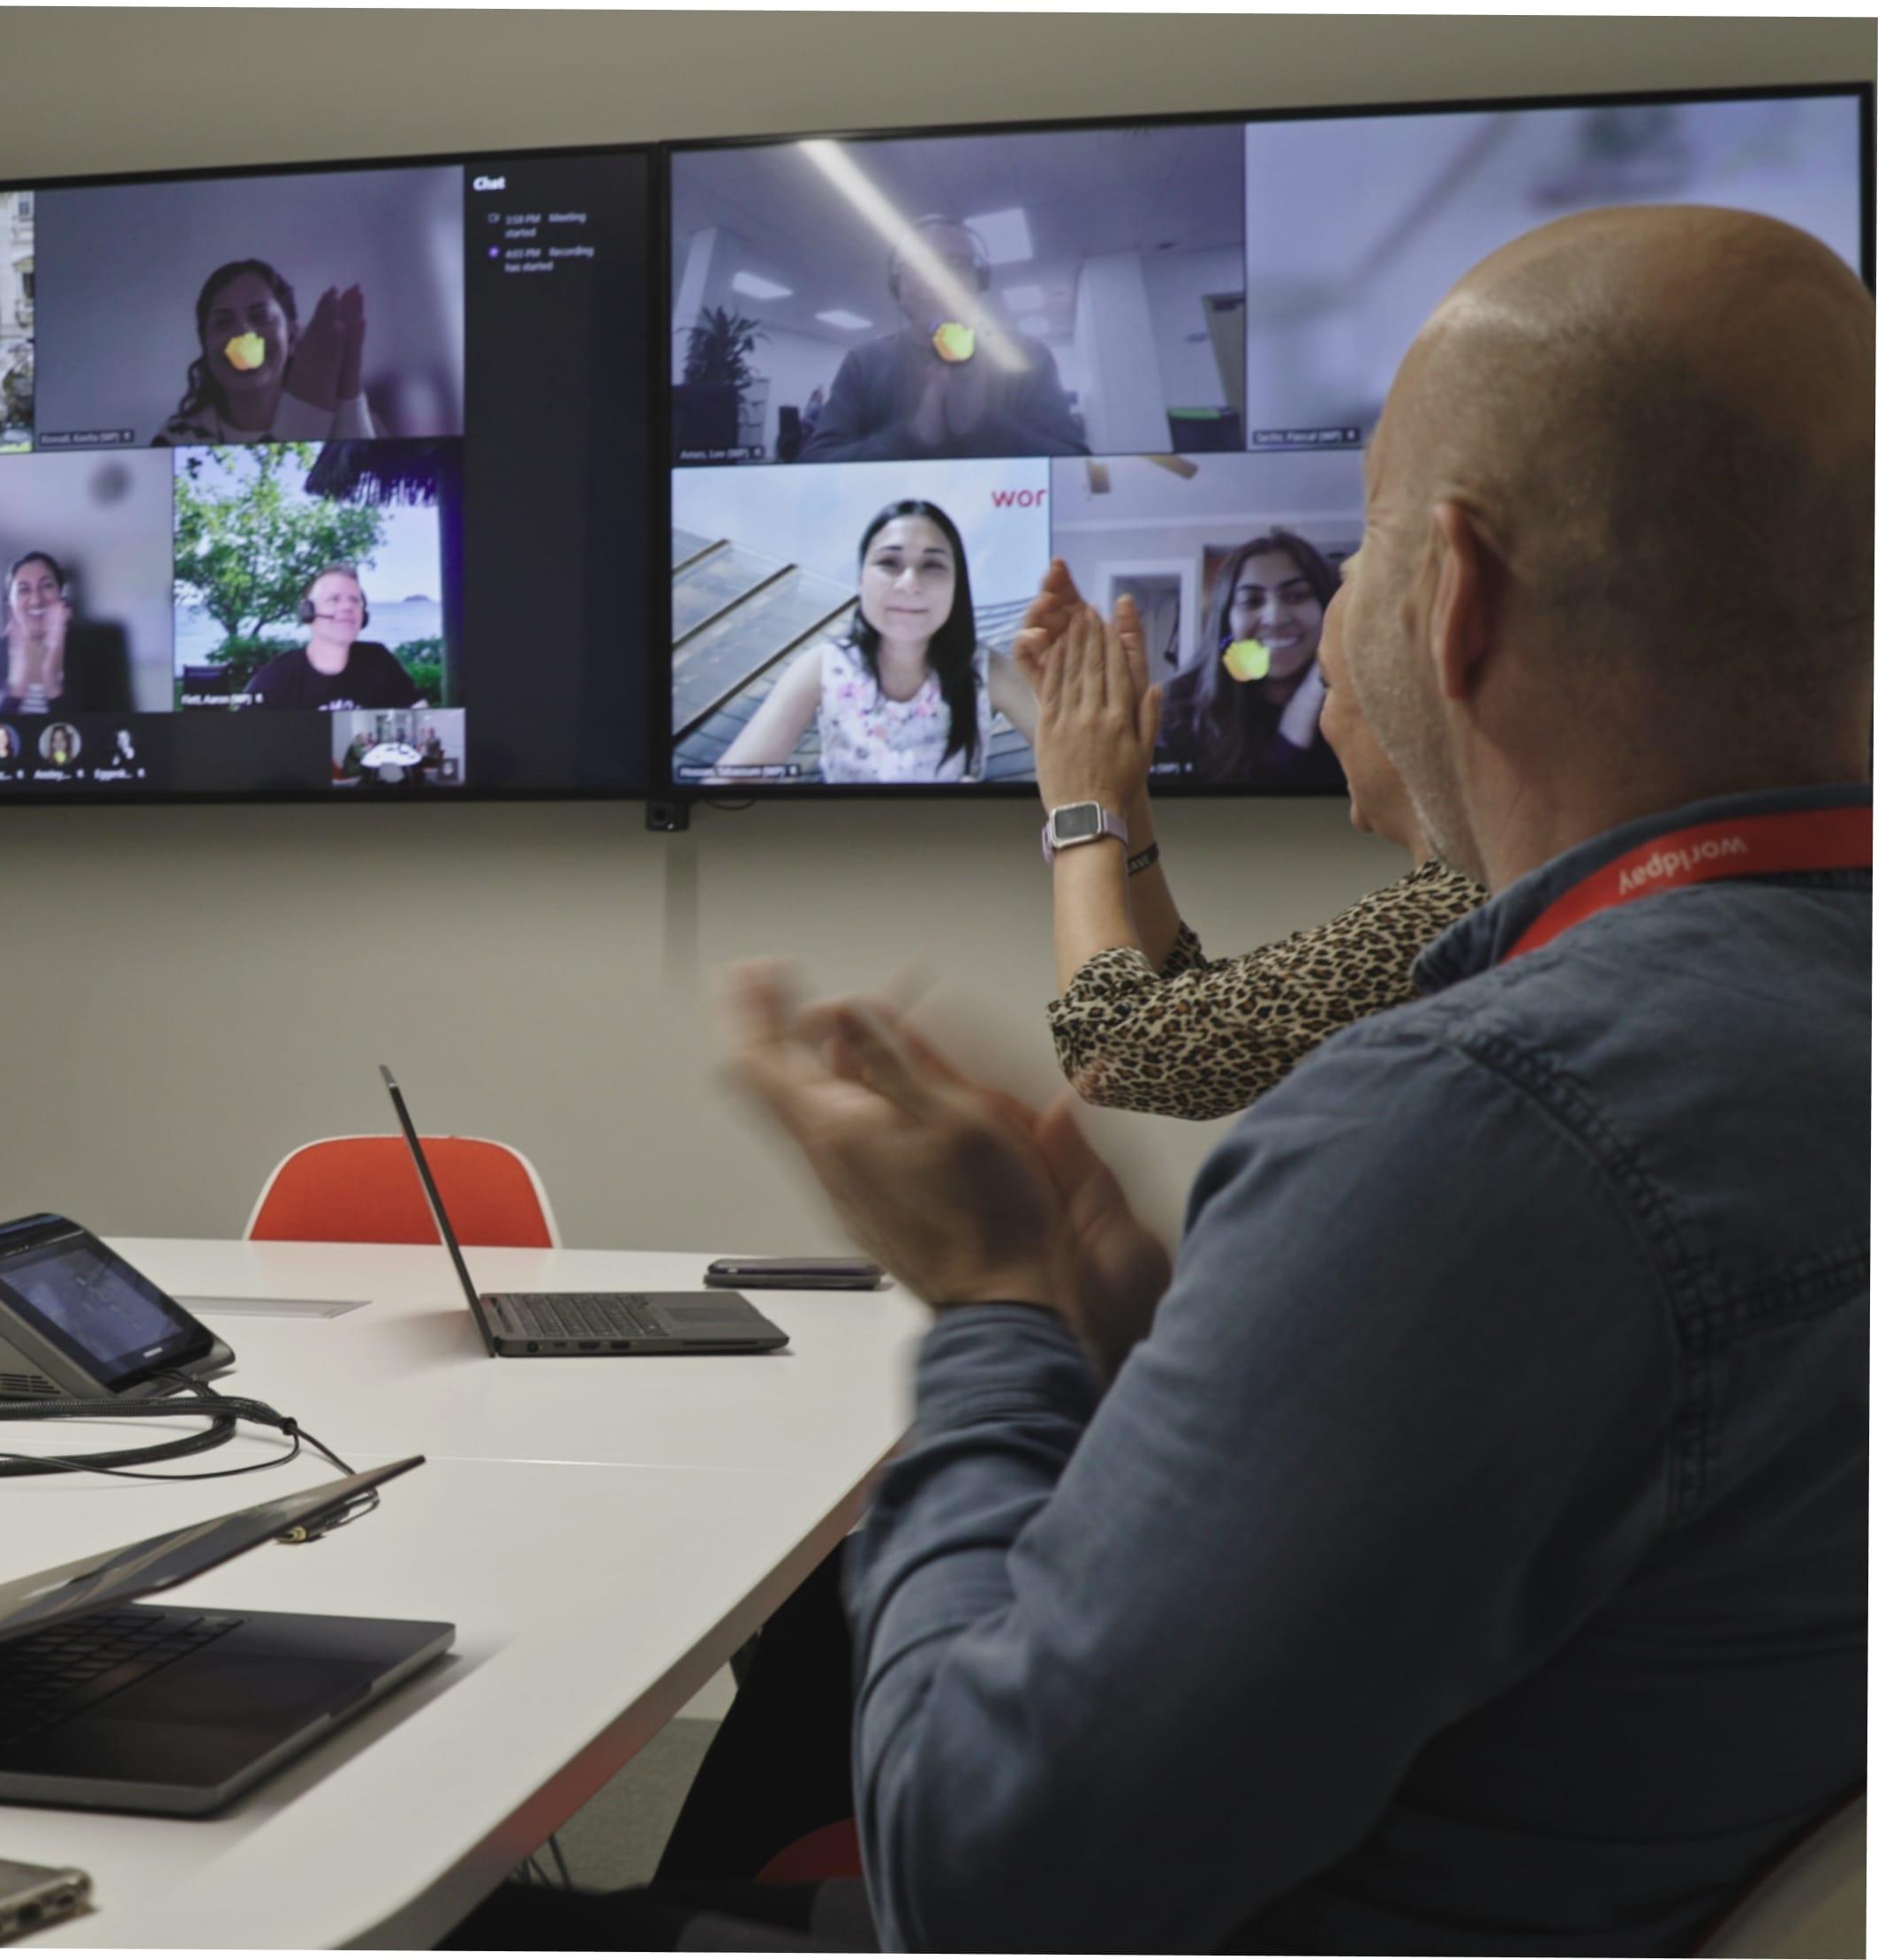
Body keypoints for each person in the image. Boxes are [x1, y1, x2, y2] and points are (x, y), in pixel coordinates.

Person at [468, 206, 1872, 1955]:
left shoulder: (1491, 1121)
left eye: (1359, 549)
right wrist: (1135, 1323)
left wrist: (987, 1306)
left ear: (1453, 600)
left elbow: (974, 1882)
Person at [1017, 556, 1484, 1117]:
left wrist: (1081, 806)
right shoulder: (1464, 896)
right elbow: (1195, 1015)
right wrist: (1121, 791)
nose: (1323, 718)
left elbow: (1114, 1048)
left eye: (1329, 684)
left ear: (1413, 701)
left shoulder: (1464, 906)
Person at [711, 499, 1036, 782]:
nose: (909, 583)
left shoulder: (987, 670)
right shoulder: (823, 667)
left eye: (933, 565)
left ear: (957, 586)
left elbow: (1077, 762)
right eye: (889, 563)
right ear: (860, 580)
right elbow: (733, 779)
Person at [799, 215, 1087, 463]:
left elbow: (1077, 467)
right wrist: (914, 437)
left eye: (957, 265)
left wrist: (980, 425)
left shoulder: (1028, 356)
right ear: (896, 286)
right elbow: (814, 464)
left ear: (980, 279)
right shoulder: (863, 363)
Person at [1155, 530, 1346, 785]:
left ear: (1326, 606)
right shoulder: (1178, 710)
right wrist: (1294, 729)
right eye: (1252, 601)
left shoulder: (1363, 704)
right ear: (1227, 621)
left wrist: (1315, 688)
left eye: (1297, 596)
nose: (1275, 618)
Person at [154, 260, 379, 447]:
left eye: (261, 317)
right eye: (223, 323)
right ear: (204, 343)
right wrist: (305, 415)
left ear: (291, 337)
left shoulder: (344, 418)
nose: (243, 333)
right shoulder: (178, 437)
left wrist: (349, 386)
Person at [0, 551, 132, 715]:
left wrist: (52, 684)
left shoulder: (94, 653)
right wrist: (15, 690)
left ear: (62, 597)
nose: (36, 599)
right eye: (24, 589)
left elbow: (109, 731)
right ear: (11, 605)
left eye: (47, 586)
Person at [243, 567, 425, 712]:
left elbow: (420, 715)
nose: (347, 607)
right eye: (334, 600)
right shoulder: (276, 677)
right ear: (308, 613)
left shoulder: (379, 660)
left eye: (354, 600)